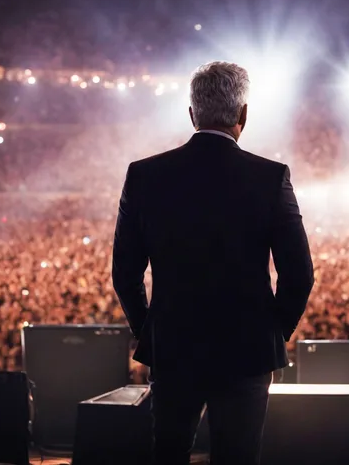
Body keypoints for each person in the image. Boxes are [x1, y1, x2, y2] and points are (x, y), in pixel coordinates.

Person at [112, 61, 315, 465]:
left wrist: (150, 330)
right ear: (243, 115)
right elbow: (299, 275)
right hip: (247, 350)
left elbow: (125, 274)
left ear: (192, 114)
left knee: (168, 455)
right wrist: (273, 332)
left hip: (173, 347)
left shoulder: (144, 175)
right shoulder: (270, 177)